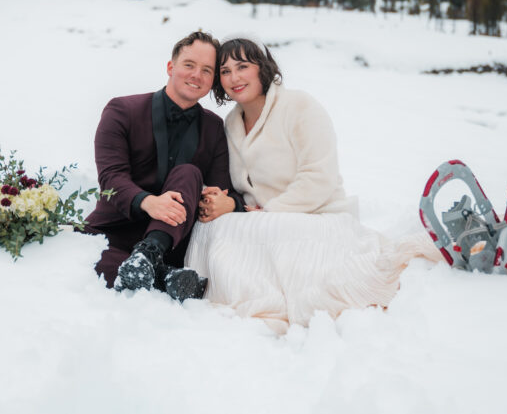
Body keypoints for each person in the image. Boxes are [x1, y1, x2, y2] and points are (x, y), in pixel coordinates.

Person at [187, 38, 442, 331]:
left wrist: (269, 211)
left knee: (264, 230)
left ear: (263, 69)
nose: (234, 78)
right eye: (225, 71)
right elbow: (238, 184)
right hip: (259, 219)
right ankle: (221, 291)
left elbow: (319, 178)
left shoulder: (299, 106)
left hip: (315, 216)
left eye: (242, 67)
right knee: (214, 226)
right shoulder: (231, 123)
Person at [84, 31, 245, 302]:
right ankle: (164, 278)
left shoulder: (214, 127)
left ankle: (150, 256)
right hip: (114, 231)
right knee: (102, 265)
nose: (196, 75)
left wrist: (231, 203)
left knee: (189, 172)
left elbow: (221, 191)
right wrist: (148, 202)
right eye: (189, 65)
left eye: (206, 70)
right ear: (171, 67)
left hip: (173, 241)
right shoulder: (121, 110)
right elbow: (111, 177)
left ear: (212, 81)